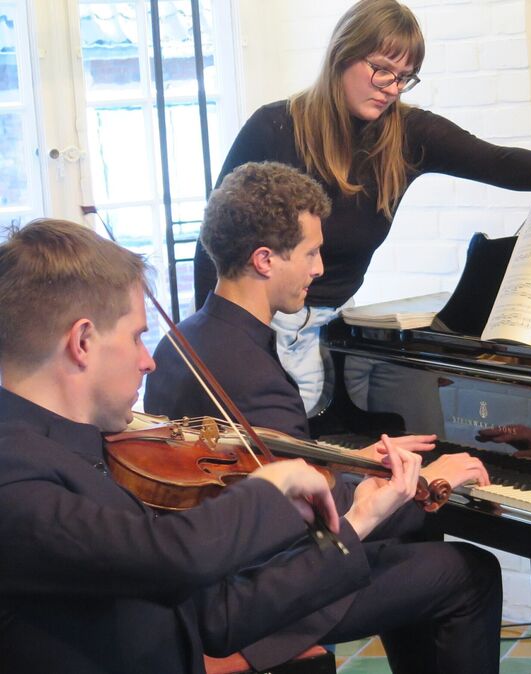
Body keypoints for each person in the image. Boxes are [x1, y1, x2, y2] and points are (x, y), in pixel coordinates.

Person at [0, 219, 435, 673]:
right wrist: (272, 484)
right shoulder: (13, 472)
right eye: (136, 337)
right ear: (83, 342)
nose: (149, 360)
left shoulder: (88, 448)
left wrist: (359, 519)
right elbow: (168, 556)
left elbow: (216, 616)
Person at [193, 0, 531, 414]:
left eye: (404, 77)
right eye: (381, 70)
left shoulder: (406, 134)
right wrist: (216, 340)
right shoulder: (275, 127)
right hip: (268, 325)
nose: (392, 87)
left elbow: (494, 160)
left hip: (338, 326)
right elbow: (217, 241)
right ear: (342, 55)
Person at [143, 161, 498, 671]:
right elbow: (306, 519)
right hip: (264, 593)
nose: (318, 268)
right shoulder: (254, 375)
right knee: (468, 570)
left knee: (415, 540)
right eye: (310, 253)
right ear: (265, 259)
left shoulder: (187, 340)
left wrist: (349, 463)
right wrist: (426, 482)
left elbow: (250, 470)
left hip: (214, 570)